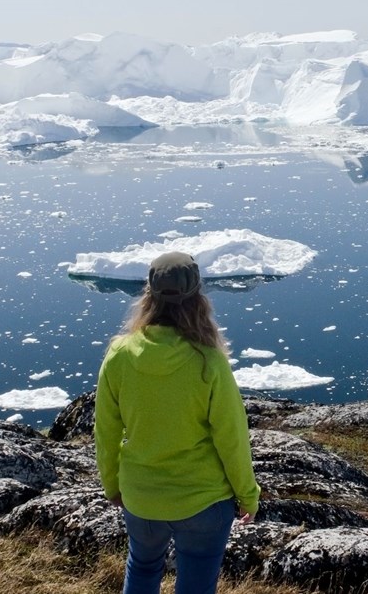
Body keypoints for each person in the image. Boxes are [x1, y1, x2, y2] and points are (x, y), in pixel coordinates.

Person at [94, 251, 260, 594]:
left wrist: (112, 485)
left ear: (148, 296)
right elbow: (231, 436)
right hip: (204, 500)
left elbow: (106, 432)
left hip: (141, 497)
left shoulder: (120, 355)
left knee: (141, 567)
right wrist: (248, 495)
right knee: (197, 582)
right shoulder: (209, 361)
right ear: (198, 297)